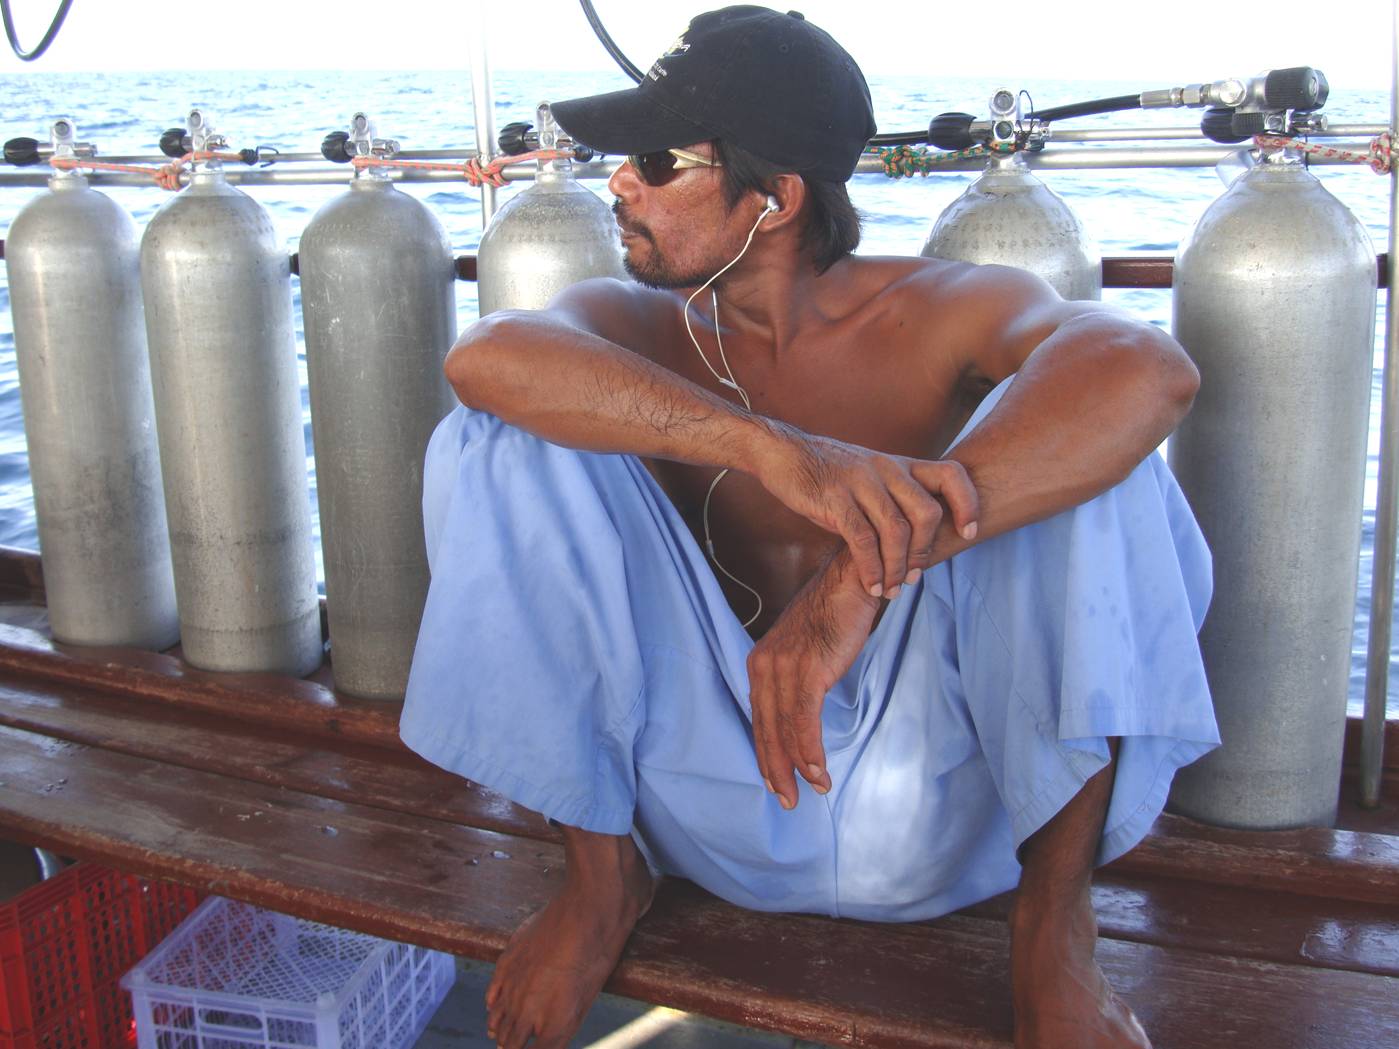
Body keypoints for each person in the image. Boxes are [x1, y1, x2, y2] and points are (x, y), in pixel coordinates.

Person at [401, 6, 1219, 1048]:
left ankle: (1052, 933)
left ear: (775, 198)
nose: (619, 183)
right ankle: (601, 880)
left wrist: (858, 578)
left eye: (659, 161)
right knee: (498, 440)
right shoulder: (636, 324)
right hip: (701, 797)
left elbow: (1147, 371)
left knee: (1097, 472)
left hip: (948, 807)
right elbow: (486, 360)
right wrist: (779, 452)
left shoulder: (937, 310)